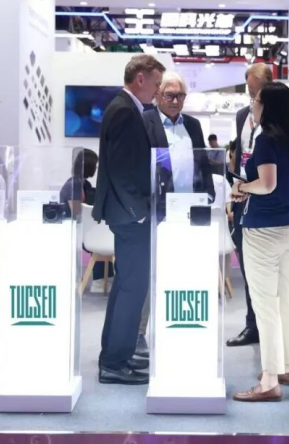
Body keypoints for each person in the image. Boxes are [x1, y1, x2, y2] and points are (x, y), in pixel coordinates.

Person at [93, 54, 166, 385]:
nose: (158, 90)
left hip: (128, 214)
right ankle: (114, 363)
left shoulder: (125, 108)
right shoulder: (124, 110)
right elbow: (121, 169)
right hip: (130, 216)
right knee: (132, 289)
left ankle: (115, 357)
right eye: (156, 83)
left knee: (126, 287)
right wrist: (139, 213)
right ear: (140, 79)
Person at [231, 82, 289, 402]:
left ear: (268, 107)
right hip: (287, 227)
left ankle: (270, 379)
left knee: (265, 306)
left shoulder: (265, 140)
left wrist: (243, 188)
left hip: (262, 231)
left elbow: (268, 184)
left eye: (256, 101)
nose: (253, 105)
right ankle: (287, 367)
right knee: (286, 299)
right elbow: (286, 184)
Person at [140, 72, 215, 356]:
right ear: (158, 95)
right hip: (157, 210)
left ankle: (182, 325)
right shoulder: (145, 121)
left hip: (190, 210)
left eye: (180, 95)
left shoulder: (193, 125)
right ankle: (139, 333)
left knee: (186, 270)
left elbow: (202, 162)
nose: (174, 101)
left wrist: (208, 193)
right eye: (169, 95)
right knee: (150, 273)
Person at [226, 63, 274, 347]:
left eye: (257, 91)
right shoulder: (242, 115)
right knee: (246, 266)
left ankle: (272, 328)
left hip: (270, 201)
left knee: (270, 270)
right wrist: (233, 192)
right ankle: (252, 325)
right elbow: (238, 156)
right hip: (243, 197)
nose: (253, 97)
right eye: (250, 91)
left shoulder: (284, 115)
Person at [60, 149, 114, 293]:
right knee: (102, 235)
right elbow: (77, 213)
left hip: (82, 229)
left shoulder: (84, 184)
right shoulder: (74, 186)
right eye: (95, 165)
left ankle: (103, 279)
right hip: (72, 231)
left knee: (101, 233)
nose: (96, 169)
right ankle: (100, 281)